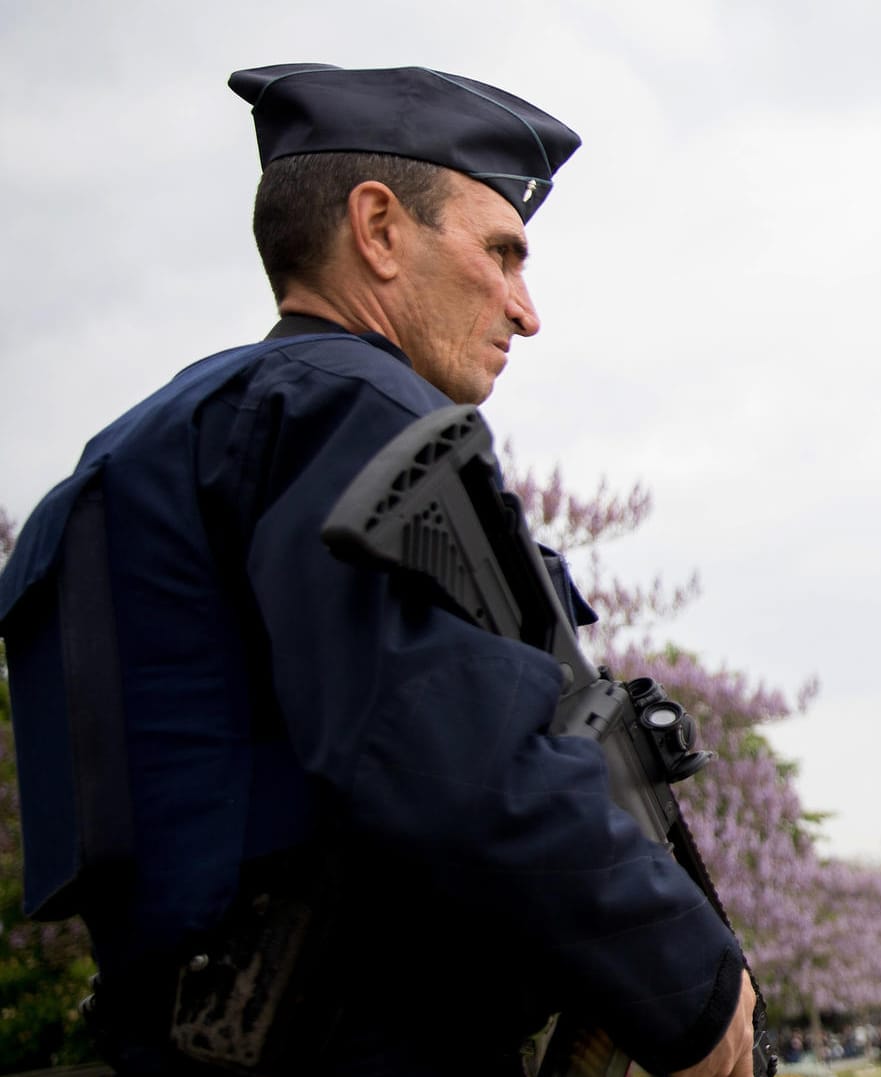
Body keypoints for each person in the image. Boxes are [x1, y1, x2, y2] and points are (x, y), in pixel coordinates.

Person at [0, 64, 757, 1077]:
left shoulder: (141, 449)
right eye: (502, 253)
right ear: (379, 229)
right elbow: (441, 747)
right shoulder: (355, 403)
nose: (525, 311)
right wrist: (689, 986)